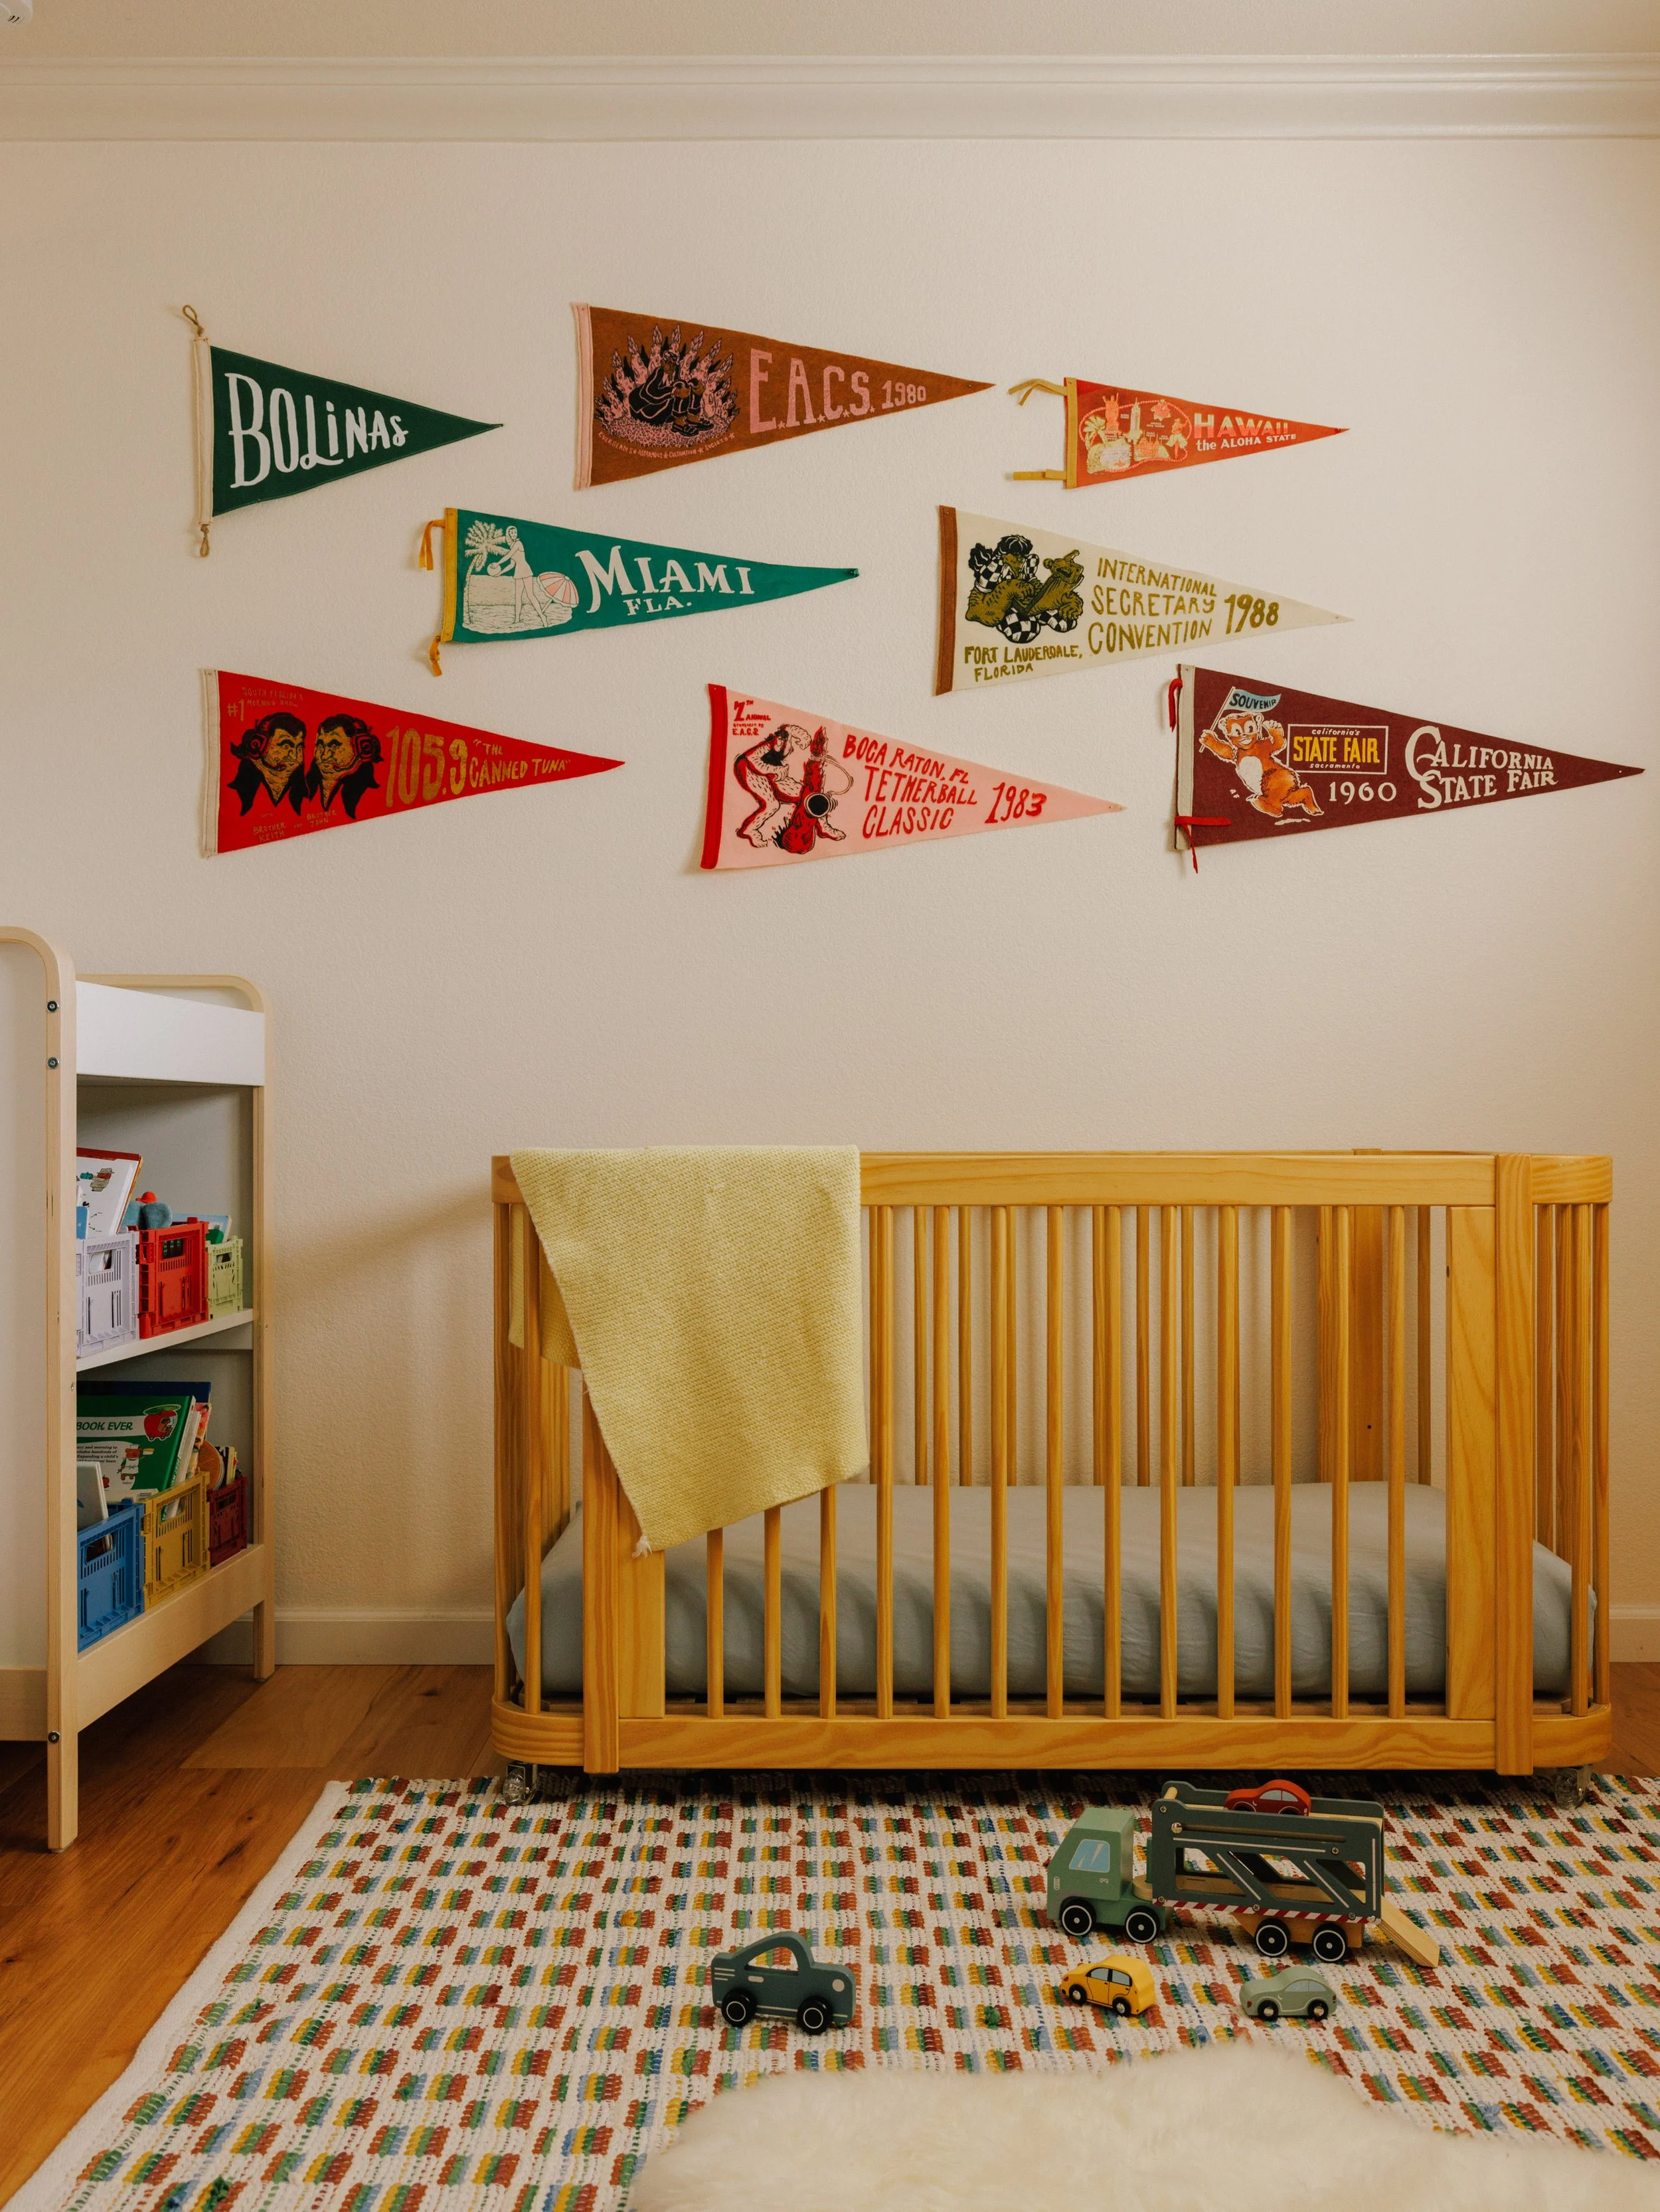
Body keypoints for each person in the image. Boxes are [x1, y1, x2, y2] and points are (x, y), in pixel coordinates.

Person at [227, 710, 305, 816]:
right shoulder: (234, 793)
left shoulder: (302, 789)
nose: (295, 758)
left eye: (299, 748)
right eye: (285, 746)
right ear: (259, 746)